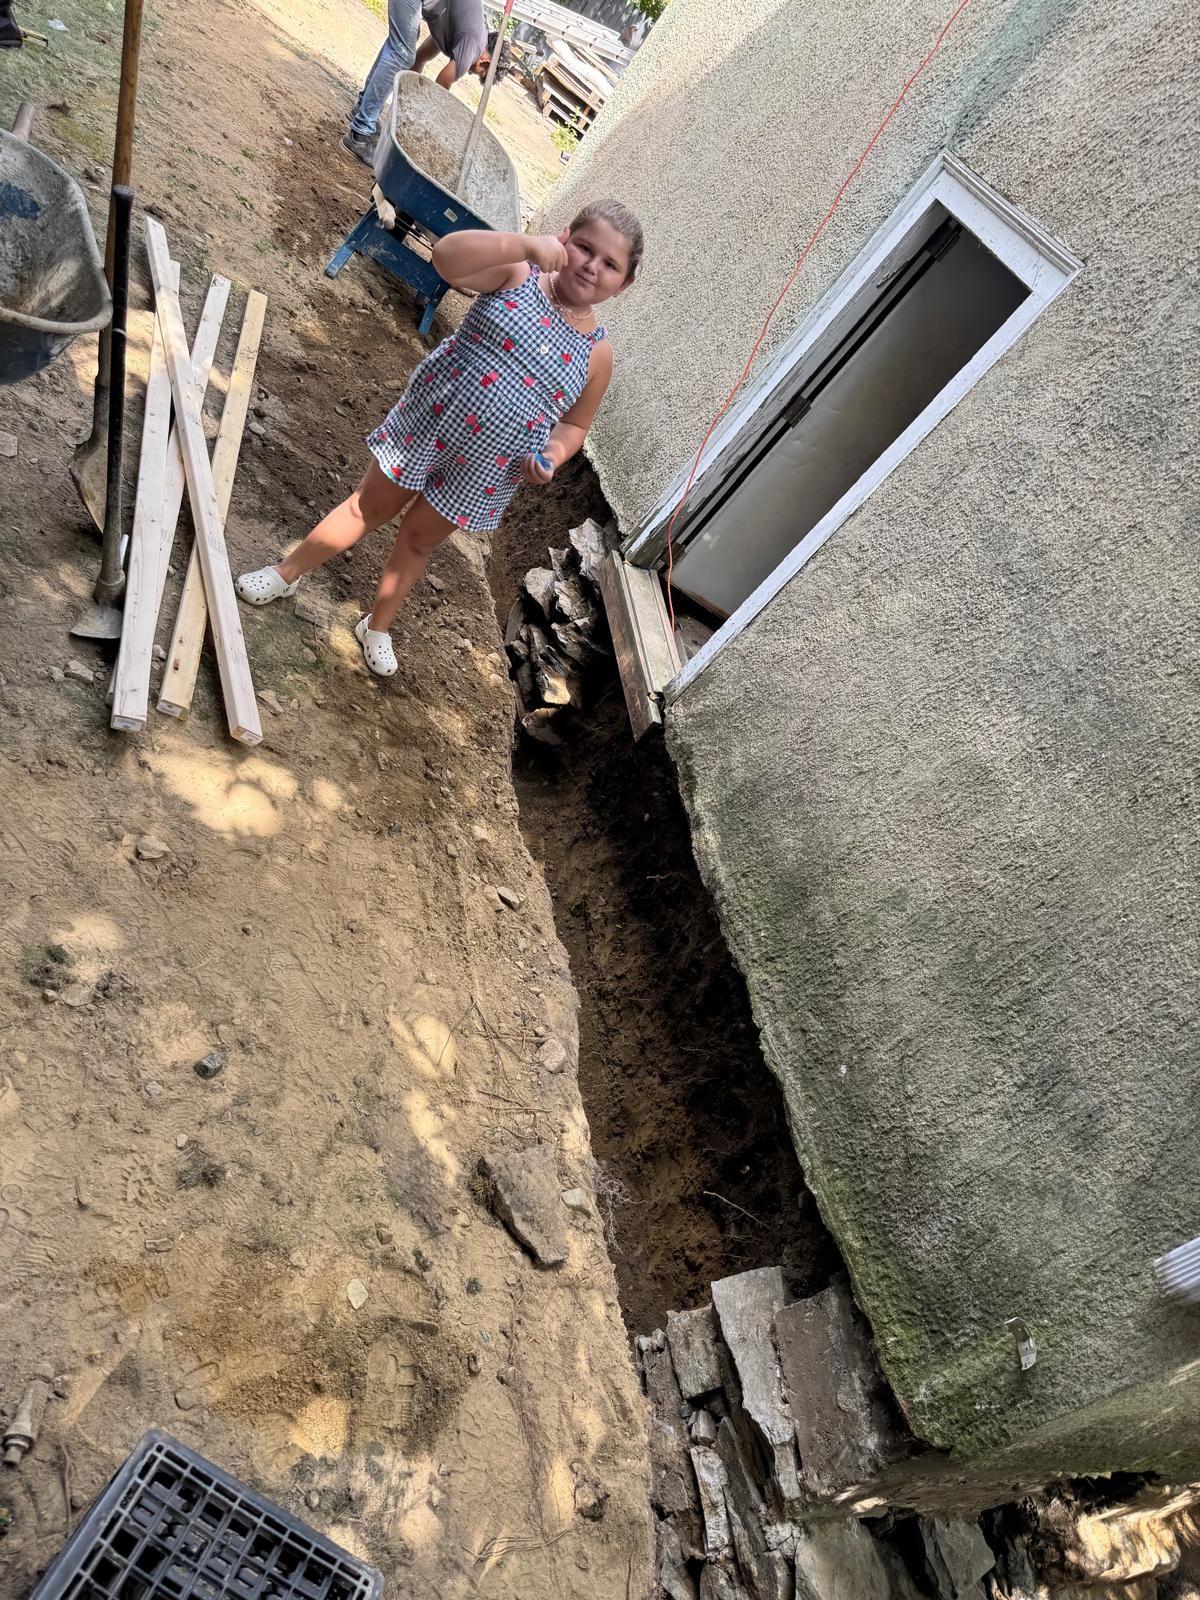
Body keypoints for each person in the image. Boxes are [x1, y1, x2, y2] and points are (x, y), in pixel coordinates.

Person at [235, 200, 644, 679]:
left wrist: (553, 454)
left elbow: (575, 426)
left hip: (487, 470)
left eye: (610, 264)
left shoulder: (598, 355)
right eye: (584, 247)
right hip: (428, 426)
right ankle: (287, 574)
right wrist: (526, 246)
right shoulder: (517, 273)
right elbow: (447, 258)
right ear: (564, 237)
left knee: (417, 540)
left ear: (623, 284)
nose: (591, 266)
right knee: (367, 508)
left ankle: (377, 626)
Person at [343, 0, 513, 165]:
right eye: (479, 74)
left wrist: (410, 109)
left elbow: (418, 61)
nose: (470, 73)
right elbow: (443, 82)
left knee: (402, 49)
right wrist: (429, 124)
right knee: (401, 53)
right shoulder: (474, 46)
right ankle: (360, 135)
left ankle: (362, 109)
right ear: (485, 63)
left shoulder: (461, 29)